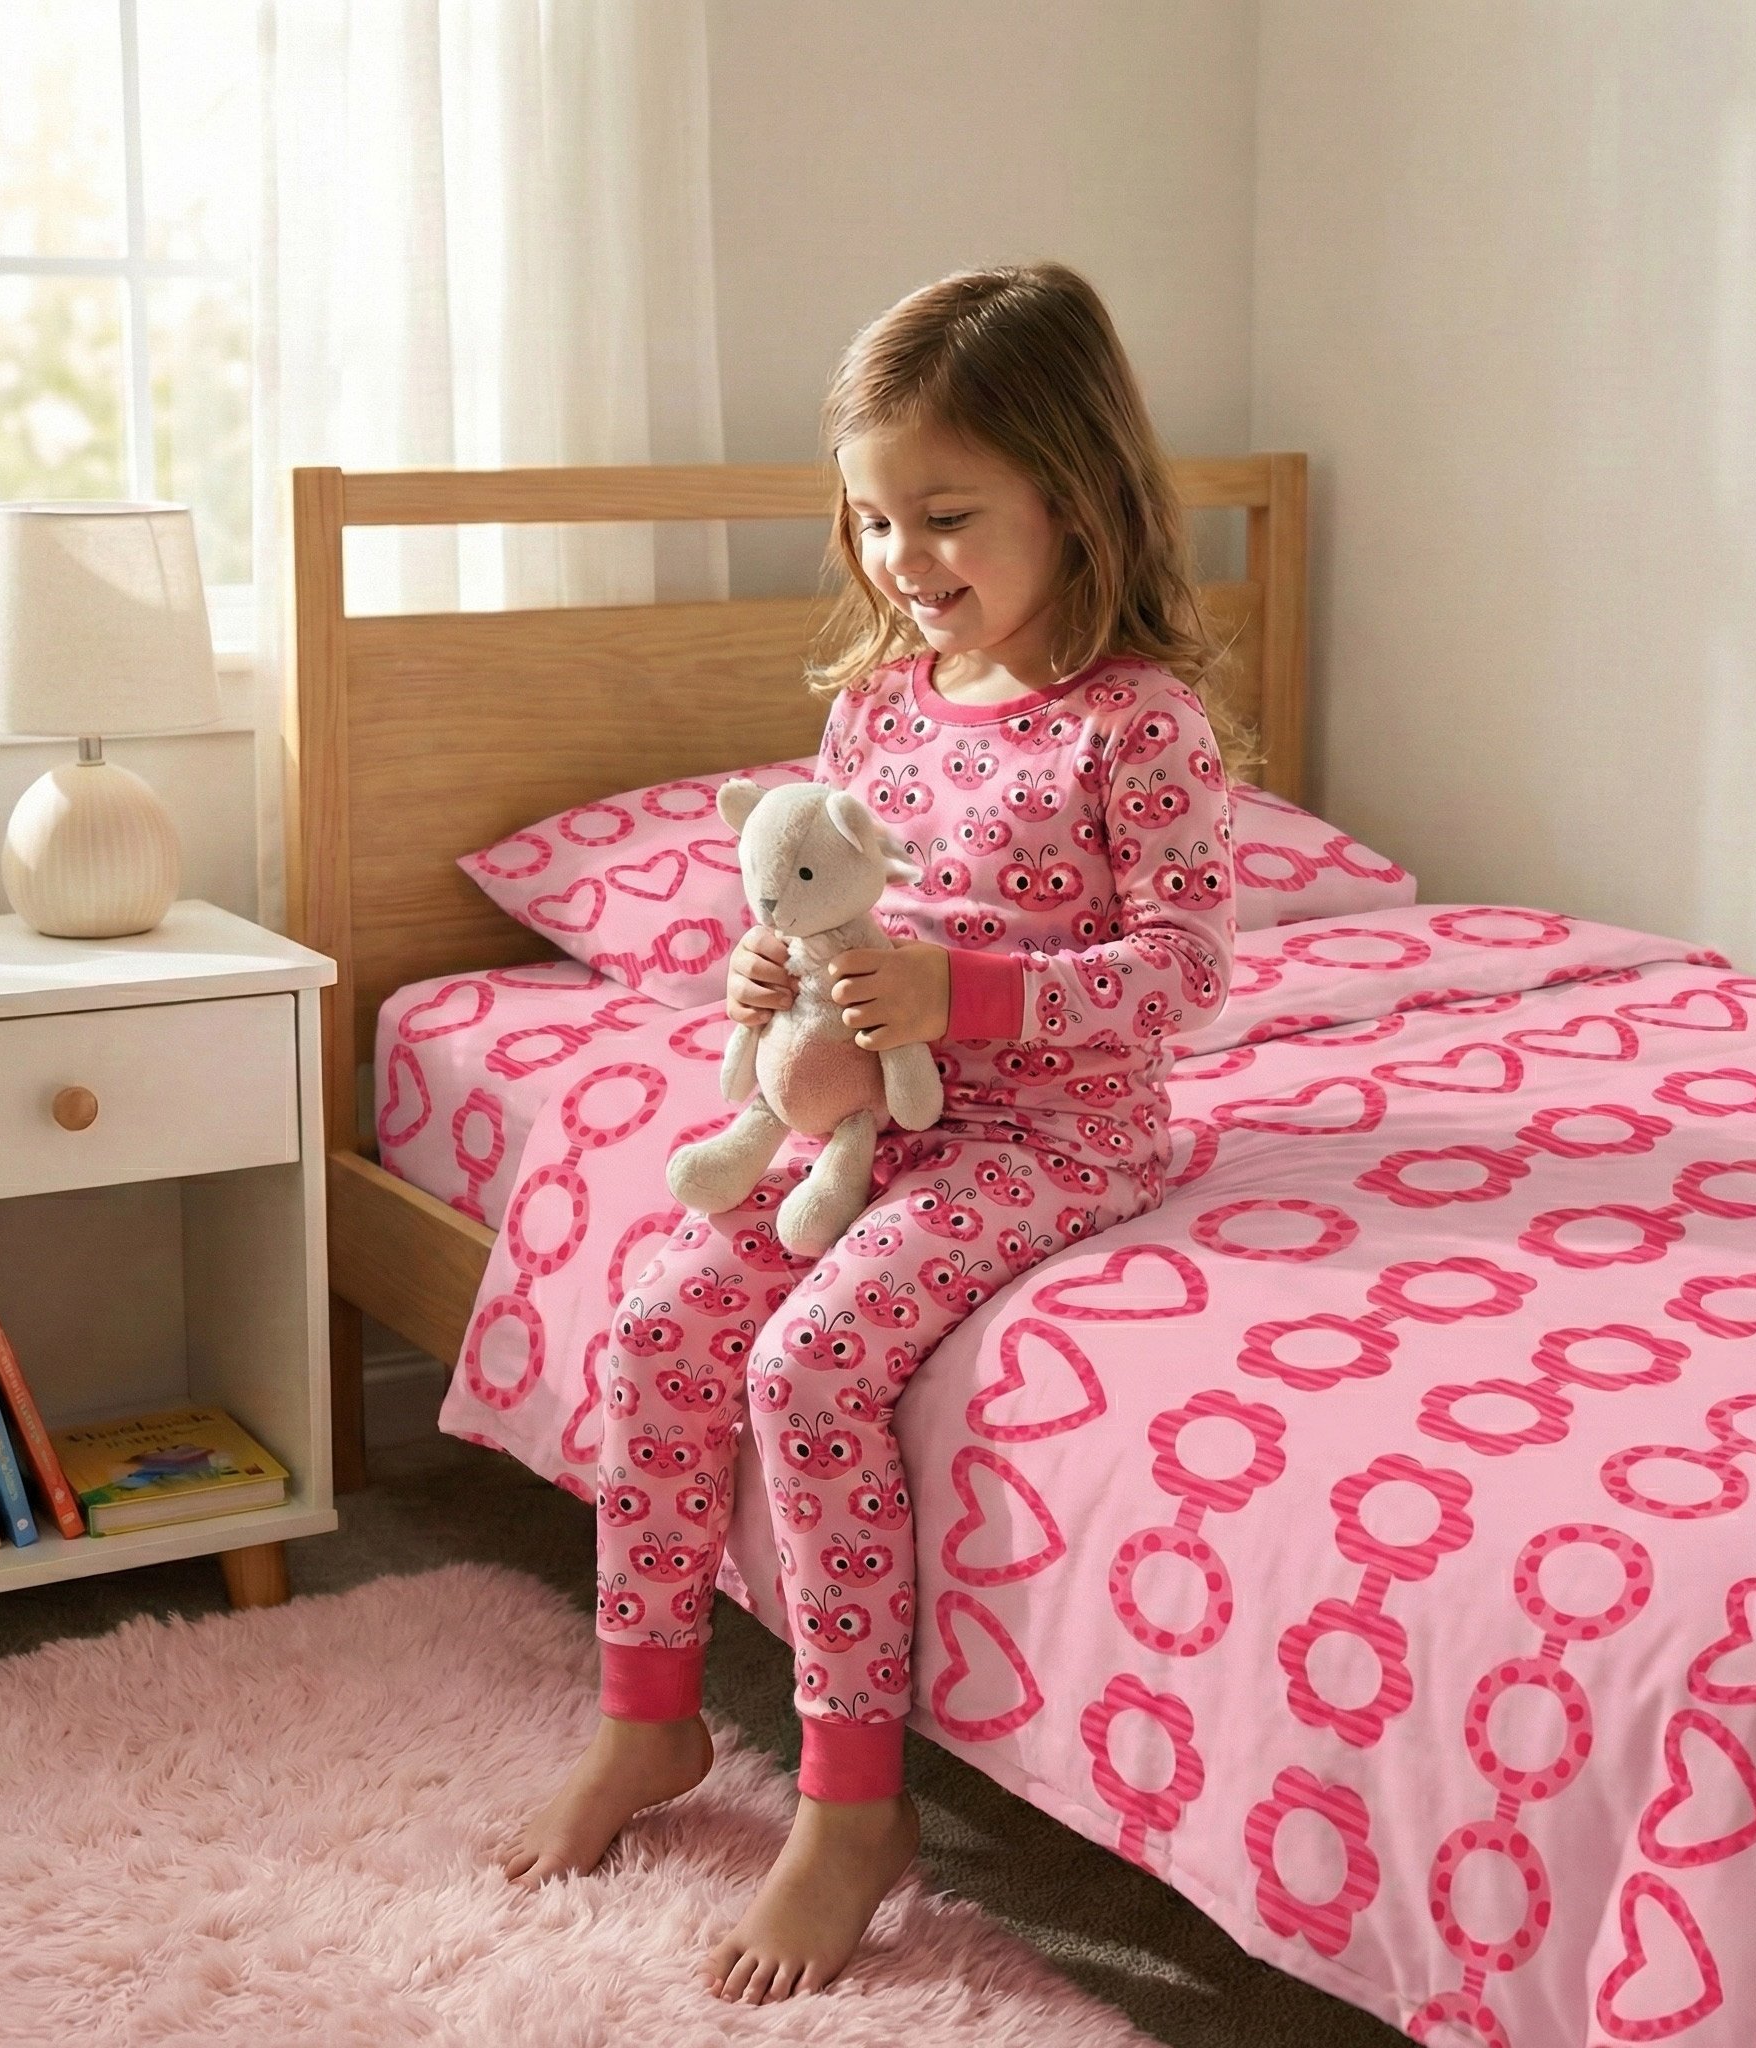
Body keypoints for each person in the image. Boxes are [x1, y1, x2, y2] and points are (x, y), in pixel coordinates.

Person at [504, 260, 1247, 2003]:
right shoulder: (878, 710)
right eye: (872, 520)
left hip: (1053, 1137)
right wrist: (774, 971)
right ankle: (651, 1714)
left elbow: (1192, 972)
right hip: (861, 1121)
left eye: (946, 515)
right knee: (665, 1318)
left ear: (1077, 491)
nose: (906, 560)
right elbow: (828, 905)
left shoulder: (1141, 724)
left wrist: (967, 998)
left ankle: (852, 1806)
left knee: (811, 1365)